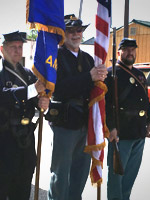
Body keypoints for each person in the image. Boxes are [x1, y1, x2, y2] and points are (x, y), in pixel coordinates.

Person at [0, 31, 49, 200]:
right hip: (1, 140)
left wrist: (43, 103)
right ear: (2, 49)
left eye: (20, 47)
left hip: (25, 140)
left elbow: (36, 100)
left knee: (22, 190)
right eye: (13, 47)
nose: (17, 51)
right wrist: (32, 90)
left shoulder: (29, 74)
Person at [46, 14, 108, 200]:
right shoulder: (55, 57)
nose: (75, 34)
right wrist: (89, 77)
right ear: (63, 34)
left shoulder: (89, 59)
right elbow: (59, 88)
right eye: (70, 31)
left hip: (86, 123)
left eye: (78, 30)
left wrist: (102, 78)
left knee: (80, 173)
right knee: (60, 174)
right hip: (65, 122)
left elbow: (95, 91)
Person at [105, 38, 150, 200]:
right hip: (120, 133)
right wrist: (110, 127)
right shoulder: (111, 74)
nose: (130, 53)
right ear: (119, 53)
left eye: (133, 49)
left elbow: (145, 101)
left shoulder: (140, 75)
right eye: (126, 50)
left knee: (130, 177)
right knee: (116, 177)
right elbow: (105, 104)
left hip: (138, 132)